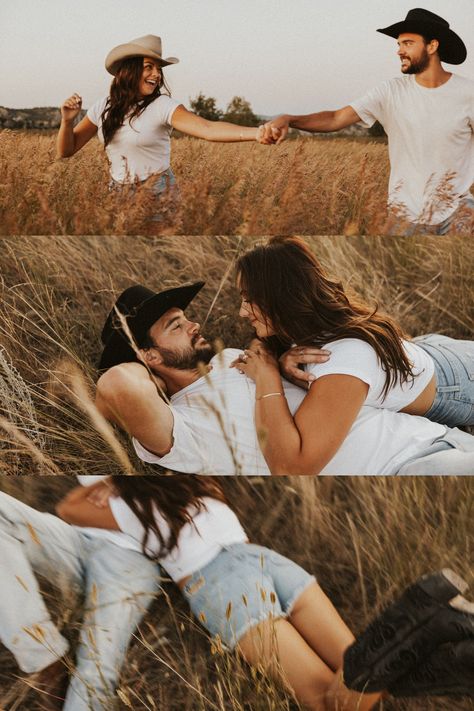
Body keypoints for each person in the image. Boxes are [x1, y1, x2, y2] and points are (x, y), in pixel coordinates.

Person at [19, 475, 474, 710]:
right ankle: (446, 643)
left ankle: (425, 618)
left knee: (328, 703)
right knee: (362, 676)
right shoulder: (195, 485)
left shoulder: (127, 505)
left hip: (220, 582)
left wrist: (111, 483)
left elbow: (68, 508)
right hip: (265, 559)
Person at [94, 281, 474, 475]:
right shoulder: (180, 430)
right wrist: (148, 372)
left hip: (425, 421)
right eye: (176, 325)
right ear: (150, 355)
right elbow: (116, 387)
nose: (194, 324)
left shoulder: (228, 358)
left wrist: (282, 357)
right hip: (407, 466)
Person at [234, 236, 474, 474]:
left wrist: (268, 376)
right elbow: (259, 344)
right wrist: (280, 359)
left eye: (249, 299)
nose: (242, 311)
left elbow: (293, 465)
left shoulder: (343, 360)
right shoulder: (301, 324)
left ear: (279, 296)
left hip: (456, 385)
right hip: (426, 352)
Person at [262, 9, 474, 235]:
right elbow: (336, 118)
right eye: (399, 44)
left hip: (459, 214)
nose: (399, 51)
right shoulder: (390, 92)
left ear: (432, 46)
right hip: (404, 216)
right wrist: (290, 119)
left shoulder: (468, 93)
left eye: (408, 43)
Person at [57, 35, 273, 209]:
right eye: (149, 67)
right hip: (116, 192)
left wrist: (256, 133)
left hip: (157, 192)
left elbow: (208, 129)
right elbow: (66, 151)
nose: (156, 75)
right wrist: (67, 122)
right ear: (129, 70)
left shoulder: (163, 105)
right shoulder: (103, 106)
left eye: (158, 69)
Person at [0, 478, 162, 711]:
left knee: (95, 669)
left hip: (133, 557)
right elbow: (68, 508)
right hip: (80, 538)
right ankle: (46, 658)